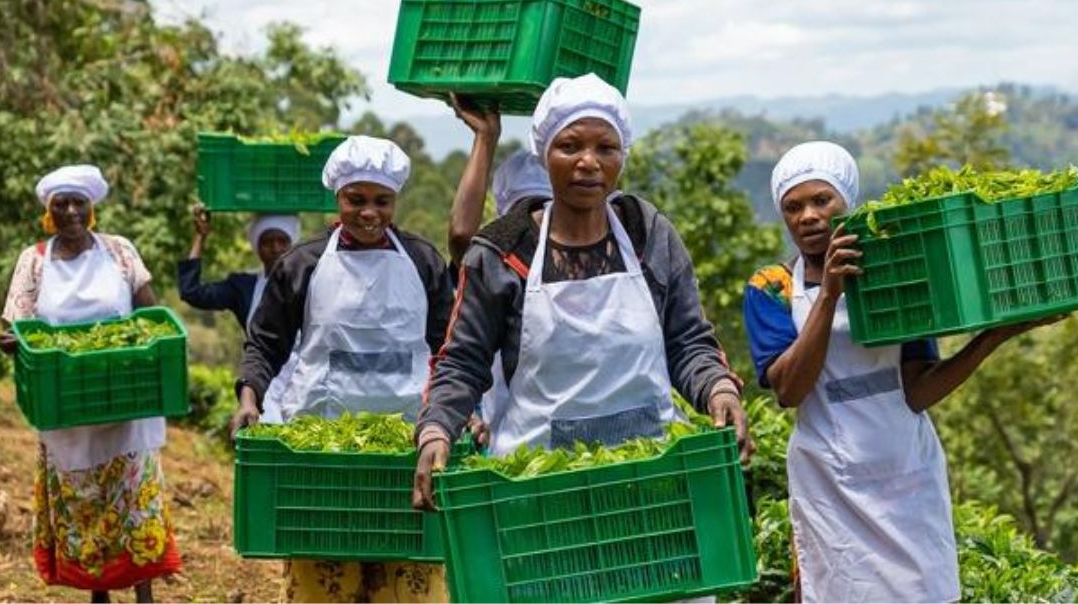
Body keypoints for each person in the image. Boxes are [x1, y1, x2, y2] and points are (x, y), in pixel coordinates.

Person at [413, 74, 755, 510]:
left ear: (622, 156)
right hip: (538, 487)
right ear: (545, 153)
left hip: (649, 479)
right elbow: (462, 362)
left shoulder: (646, 234)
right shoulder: (503, 252)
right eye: (570, 146)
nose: (589, 162)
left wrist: (718, 390)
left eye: (606, 148)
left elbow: (687, 341)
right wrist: (436, 430)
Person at [743, 141, 1064, 602]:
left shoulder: (894, 272)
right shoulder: (771, 287)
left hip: (905, 473)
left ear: (846, 202)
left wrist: (992, 337)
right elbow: (790, 389)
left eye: (821, 200)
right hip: (829, 484)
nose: (808, 216)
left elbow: (916, 390)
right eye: (793, 207)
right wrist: (830, 295)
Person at [230, 135, 453, 603]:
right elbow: (266, 343)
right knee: (325, 577)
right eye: (357, 200)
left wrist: (457, 414)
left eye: (381, 201)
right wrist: (249, 397)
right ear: (338, 197)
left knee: (404, 576)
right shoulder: (302, 264)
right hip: (322, 450)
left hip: (404, 447)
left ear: (395, 201)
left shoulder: (422, 261)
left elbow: (448, 348)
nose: (369, 212)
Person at [0, 165, 180, 603]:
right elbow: (11, 327)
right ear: (50, 212)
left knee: (133, 503)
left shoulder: (119, 252)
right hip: (66, 404)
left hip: (124, 399)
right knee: (87, 506)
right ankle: (98, 592)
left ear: (91, 209)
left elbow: (149, 318)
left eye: (80, 203)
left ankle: (144, 594)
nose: (72, 212)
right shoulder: (34, 260)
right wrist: (12, 341)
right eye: (62, 204)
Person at [446, 96, 553, 444]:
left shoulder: (590, 254)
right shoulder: (497, 262)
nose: (532, 221)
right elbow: (462, 236)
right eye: (522, 211)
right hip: (511, 437)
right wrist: (485, 137)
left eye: (541, 207)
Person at [178, 208, 300, 420]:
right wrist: (200, 237)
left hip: (305, 383)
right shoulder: (243, 287)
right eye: (267, 242)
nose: (275, 248)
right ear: (257, 247)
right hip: (262, 386)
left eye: (283, 241)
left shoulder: (310, 280)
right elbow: (192, 292)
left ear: (293, 244)